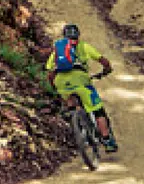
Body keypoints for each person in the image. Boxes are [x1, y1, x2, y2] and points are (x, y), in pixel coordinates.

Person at [45, 23, 118, 152]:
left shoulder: (58, 50)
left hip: (62, 83)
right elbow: (103, 61)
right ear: (78, 35)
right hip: (81, 81)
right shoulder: (84, 46)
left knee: (71, 104)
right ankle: (107, 140)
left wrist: (54, 87)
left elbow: (50, 73)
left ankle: (76, 123)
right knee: (98, 111)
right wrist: (107, 69)